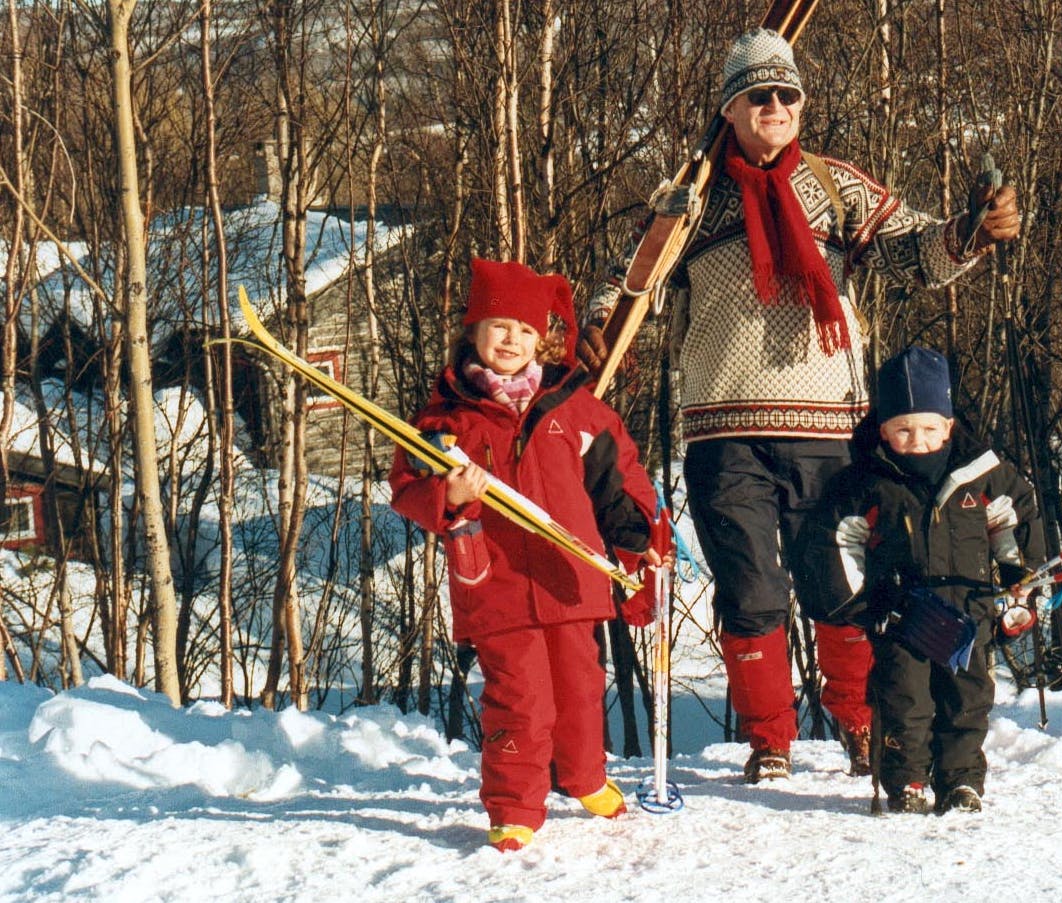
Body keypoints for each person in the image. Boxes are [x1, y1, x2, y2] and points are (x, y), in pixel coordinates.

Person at [580, 27, 1022, 784]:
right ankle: (769, 741)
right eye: (759, 95)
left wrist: (971, 231)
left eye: (787, 94)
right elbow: (631, 283)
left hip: (831, 427)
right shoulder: (690, 199)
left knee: (841, 582)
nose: (776, 106)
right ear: (731, 109)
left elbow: (914, 251)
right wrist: (595, 328)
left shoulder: (835, 186)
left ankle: (861, 721)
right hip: (722, 428)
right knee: (750, 589)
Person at [389, 258, 665, 851]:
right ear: (472, 332)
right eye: (498, 326)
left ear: (541, 338)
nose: (511, 339)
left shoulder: (573, 405)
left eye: (524, 329)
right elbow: (407, 487)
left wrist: (639, 541)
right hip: (496, 583)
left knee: (581, 687)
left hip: (571, 577)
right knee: (520, 697)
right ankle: (514, 806)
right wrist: (448, 497)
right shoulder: (446, 419)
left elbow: (618, 477)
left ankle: (586, 777)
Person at [805, 346, 1045, 815]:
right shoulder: (866, 482)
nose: (918, 441)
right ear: (883, 430)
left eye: (930, 429)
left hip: (967, 612)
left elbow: (1014, 524)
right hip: (901, 618)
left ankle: (961, 781)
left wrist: (1020, 584)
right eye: (904, 430)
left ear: (949, 426)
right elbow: (838, 541)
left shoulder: (983, 475)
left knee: (967, 699)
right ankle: (907, 781)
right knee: (904, 700)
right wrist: (864, 605)